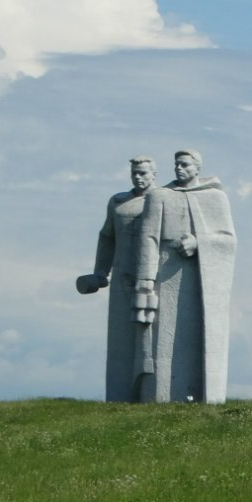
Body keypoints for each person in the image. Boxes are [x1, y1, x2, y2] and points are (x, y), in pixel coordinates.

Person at [134, 150, 237, 404]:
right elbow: (148, 238)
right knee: (162, 337)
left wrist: (199, 242)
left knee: (197, 336)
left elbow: (228, 239)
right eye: (176, 164)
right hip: (165, 272)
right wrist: (146, 280)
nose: (179, 169)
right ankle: (161, 396)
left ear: (197, 168)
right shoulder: (160, 196)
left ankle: (199, 394)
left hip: (200, 278)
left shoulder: (215, 197)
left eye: (185, 164)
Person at [78, 156, 157, 402]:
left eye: (143, 173)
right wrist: (101, 271)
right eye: (135, 173)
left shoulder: (162, 201)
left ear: (154, 174)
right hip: (122, 278)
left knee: (151, 340)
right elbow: (107, 237)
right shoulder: (118, 203)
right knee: (121, 339)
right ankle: (120, 396)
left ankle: (153, 393)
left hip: (154, 281)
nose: (138, 177)